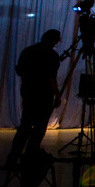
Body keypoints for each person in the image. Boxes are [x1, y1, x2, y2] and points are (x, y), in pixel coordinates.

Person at [7, 29, 63, 165]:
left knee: (25, 125)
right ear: (54, 41)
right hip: (44, 95)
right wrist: (57, 95)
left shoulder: (28, 51)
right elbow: (51, 78)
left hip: (29, 92)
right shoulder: (52, 55)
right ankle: (30, 155)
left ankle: (13, 158)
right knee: (40, 127)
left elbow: (20, 71)